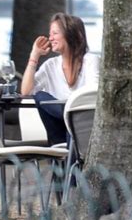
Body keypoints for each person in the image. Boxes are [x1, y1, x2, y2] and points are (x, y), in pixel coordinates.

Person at [21, 12, 100, 146]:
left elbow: (93, 94)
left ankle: (70, 117)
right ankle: (68, 117)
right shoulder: (50, 65)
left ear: (72, 35)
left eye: (55, 33)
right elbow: (26, 91)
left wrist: (72, 107)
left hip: (83, 127)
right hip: (59, 131)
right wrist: (34, 55)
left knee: (74, 118)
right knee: (40, 96)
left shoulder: (91, 61)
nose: (50, 38)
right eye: (50, 34)